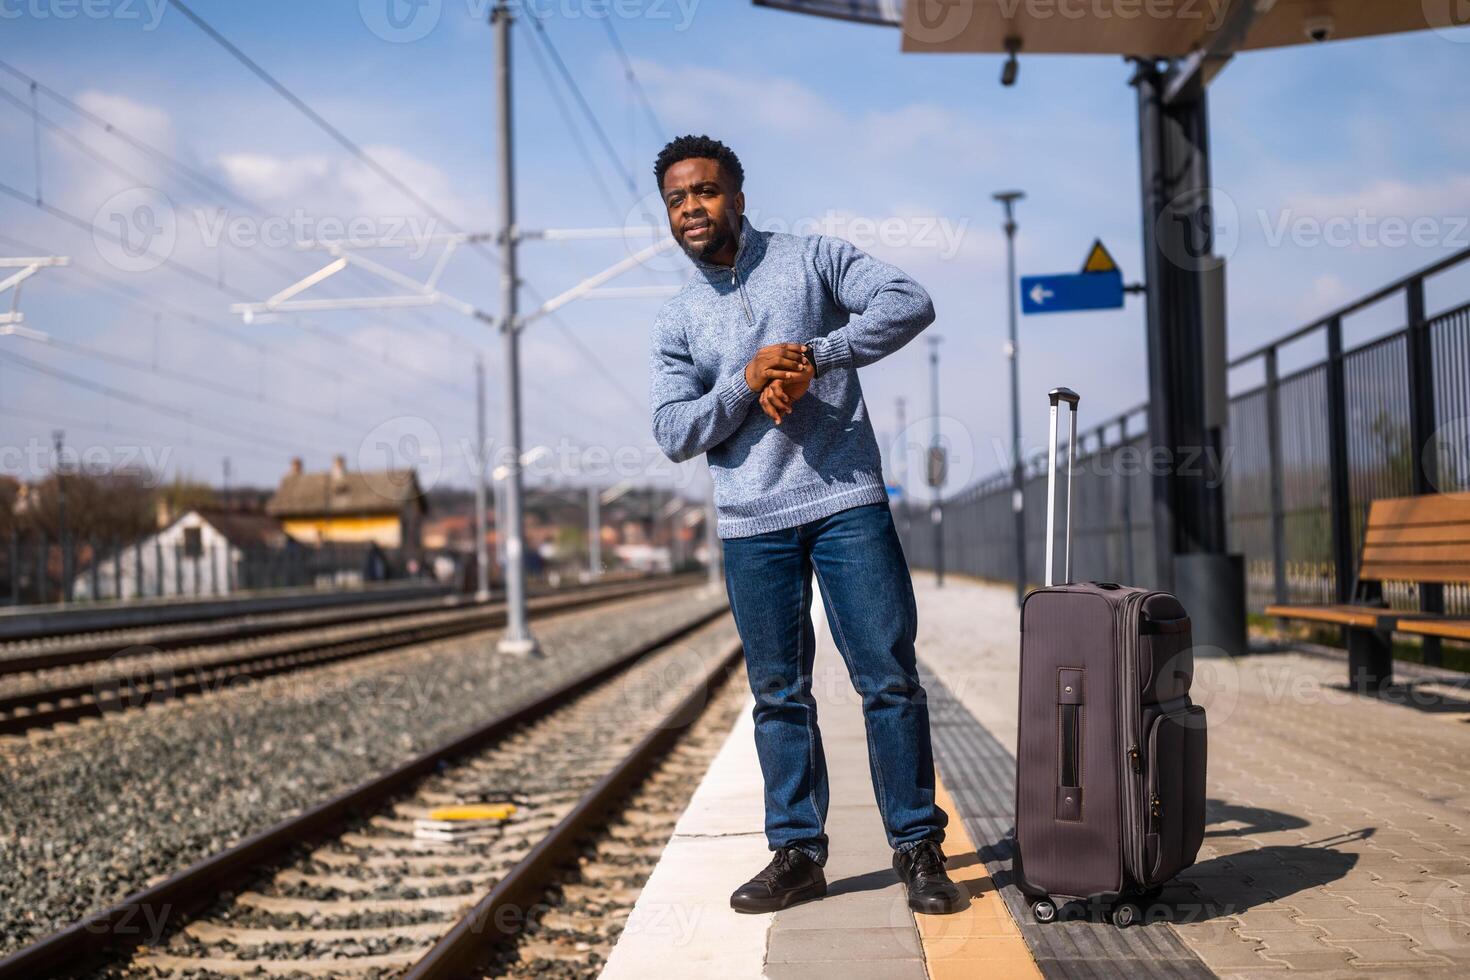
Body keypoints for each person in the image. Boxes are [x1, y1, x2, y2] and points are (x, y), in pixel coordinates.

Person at [647, 134, 961, 915]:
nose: (693, 208)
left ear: (738, 197)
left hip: (846, 502)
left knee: (887, 679)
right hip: (752, 523)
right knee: (779, 694)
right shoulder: (678, 318)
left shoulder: (813, 257)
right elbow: (673, 430)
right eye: (678, 199)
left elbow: (908, 302)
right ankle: (797, 853)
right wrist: (748, 384)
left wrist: (814, 356)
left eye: (707, 192)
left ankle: (918, 846)